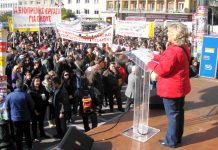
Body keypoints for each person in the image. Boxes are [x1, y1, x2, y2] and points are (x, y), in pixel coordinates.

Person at [147, 23, 191, 148]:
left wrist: (149, 62)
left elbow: (163, 70)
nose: (167, 34)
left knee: (172, 116)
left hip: (172, 89)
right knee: (179, 113)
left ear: (175, 35)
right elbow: (169, 61)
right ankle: (177, 138)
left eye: (169, 32)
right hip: (180, 87)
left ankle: (170, 141)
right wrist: (155, 56)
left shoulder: (173, 50)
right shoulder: (183, 47)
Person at [5, 79, 34, 150]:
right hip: (25, 118)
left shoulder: (9, 96)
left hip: (15, 119)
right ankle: (29, 147)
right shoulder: (26, 95)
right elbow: (32, 105)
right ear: (22, 86)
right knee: (27, 134)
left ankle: (19, 148)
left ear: (15, 86)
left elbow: (6, 107)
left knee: (18, 135)